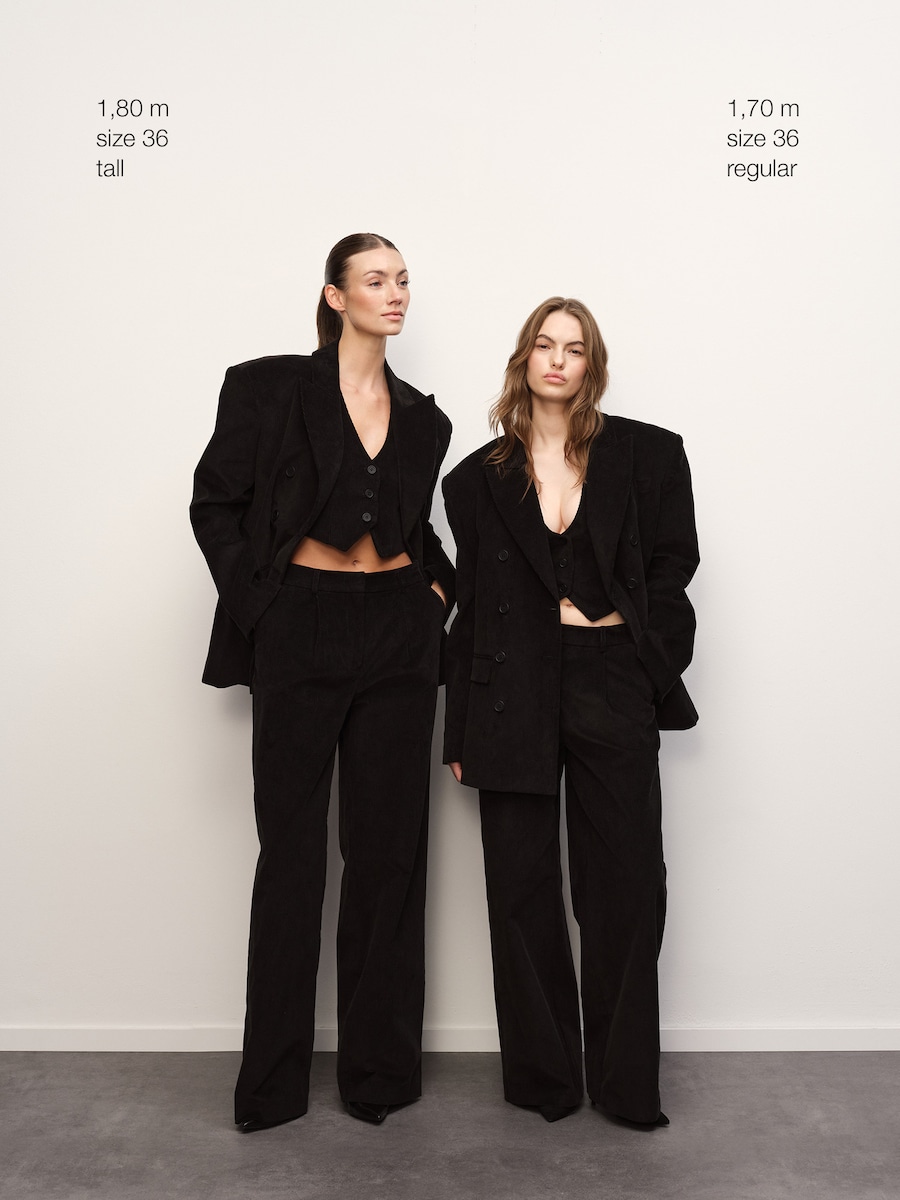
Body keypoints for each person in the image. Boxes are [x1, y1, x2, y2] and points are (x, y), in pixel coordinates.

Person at [191, 233, 454, 1131]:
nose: (395, 293)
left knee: (388, 858)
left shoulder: (423, 418)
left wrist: (437, 594)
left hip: (398, 637)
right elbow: (215, 504)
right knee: (292, 858)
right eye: (375, 280)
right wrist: (263, 607)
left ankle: (379, 1076)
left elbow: (419, 529)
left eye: (403, 280)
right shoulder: (266, 387)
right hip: (299, 625)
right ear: (336, 296)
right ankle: (271, 1086)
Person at [442, 297, 698, 1128]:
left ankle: (625, 1085)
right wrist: (459, 728)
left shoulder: (649, 455)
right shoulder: (475, 478)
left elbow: (673, 571)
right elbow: (471, 608)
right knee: (520, 888)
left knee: (626, 882)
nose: (558, 360)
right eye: (545, 345)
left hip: (610, 678)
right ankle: (544, 1080)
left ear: (593, 364)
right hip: (509, 689)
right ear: (524, 358)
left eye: (575, 348)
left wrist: (651, 665)